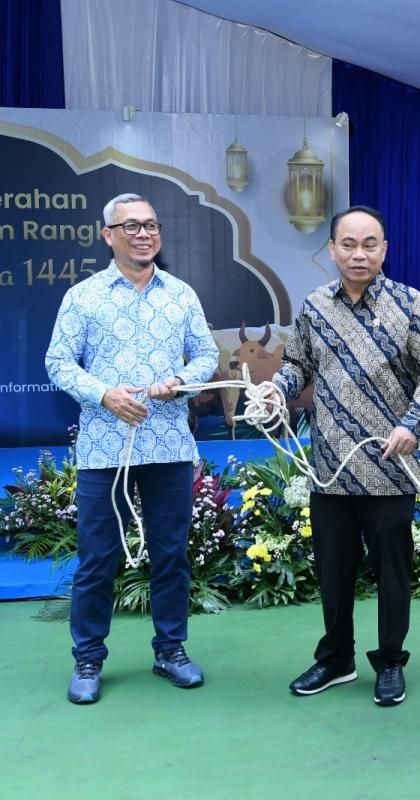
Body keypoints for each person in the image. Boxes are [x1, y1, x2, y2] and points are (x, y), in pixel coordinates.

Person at [271, 206, 420, 706]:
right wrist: (275, 391)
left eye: (369, 243)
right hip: (330, 468)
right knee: (333, 570)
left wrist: (411, 425)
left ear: (384, 249)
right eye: (348, 244)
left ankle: (390, 660)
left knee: (393, 572)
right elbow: (296, 365)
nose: (358, 253)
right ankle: (336, 659)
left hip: (391, 468)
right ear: (331, 249)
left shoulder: (410, 304)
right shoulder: (314, 307)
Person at [45, 193, 219, 704]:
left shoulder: (181, 294)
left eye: (151, 225)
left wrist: (181, 381)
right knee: (97, 558)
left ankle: (171, 650)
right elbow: (58, 362)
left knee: (171, 555)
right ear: (108, 235)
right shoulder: (83, 296)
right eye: (132, 226)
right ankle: (88, 659)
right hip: (104, 449)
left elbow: (207, 353)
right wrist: (105, 394)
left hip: (168, 444)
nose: (144, 234)